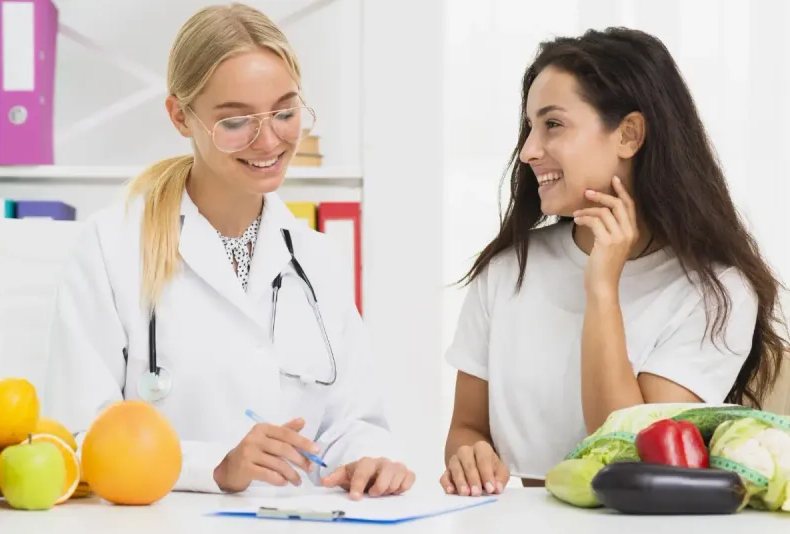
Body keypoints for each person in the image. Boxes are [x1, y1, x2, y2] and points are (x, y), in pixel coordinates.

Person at [42, 3, 414, 499]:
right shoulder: (111, 247)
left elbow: (352, 422)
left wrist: (371, 458)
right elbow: (76, 438)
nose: (270, 140)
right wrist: (214, 466)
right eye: (236, 121)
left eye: (285, 112)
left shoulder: (316, 258)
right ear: (180, 116)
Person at [440, 27, 790, 496]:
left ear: (628, 134)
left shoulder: (716, 294)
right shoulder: (507, 271)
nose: (527, 151)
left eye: (553, 125)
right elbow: (466, 429)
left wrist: (602, 288)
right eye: (529, 127)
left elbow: (630, 454)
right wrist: (469, 455)